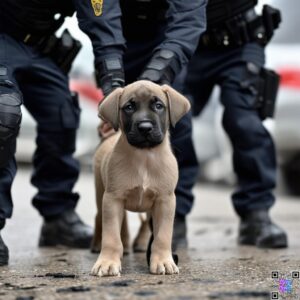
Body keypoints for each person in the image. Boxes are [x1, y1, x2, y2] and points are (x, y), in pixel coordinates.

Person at [0, 0, 207, 265]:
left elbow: (102, 21)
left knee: (62, 116)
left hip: (41, 44)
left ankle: (57, 216)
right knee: (3, 116)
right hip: (4, 37)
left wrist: (113, 89)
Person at [182, 0, 288, 248]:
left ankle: (256, 216)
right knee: (174, 123)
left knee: (244, 120)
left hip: (240, 39)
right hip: (184, 40)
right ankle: (171, 218)